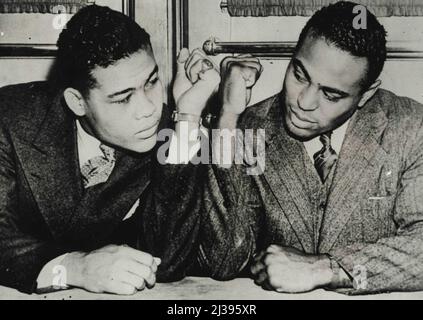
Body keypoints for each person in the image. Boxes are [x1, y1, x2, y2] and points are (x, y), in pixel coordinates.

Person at [199, 1, 423, 294]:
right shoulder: (251, 125)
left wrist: (326, 269)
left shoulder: (410, 126)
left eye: (331, 94)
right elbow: (223, 261)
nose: (303, 102)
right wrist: (228, 117)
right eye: (299, 75)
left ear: (366, 94)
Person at [0, 5, 219, 295]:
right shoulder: (11, 117)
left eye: (152, 82)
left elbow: (168, 262)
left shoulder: (174, 130)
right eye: (123, 98)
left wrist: (189, 116)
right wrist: (75, 267)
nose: (149, 110)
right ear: (77, 102)